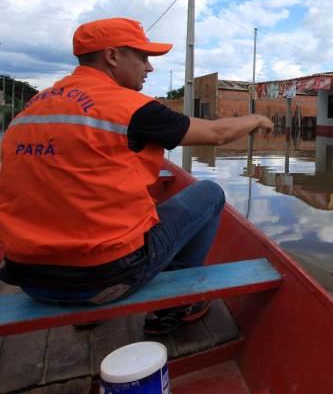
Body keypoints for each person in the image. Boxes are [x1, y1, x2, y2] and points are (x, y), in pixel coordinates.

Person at [0, 17, 273, 334]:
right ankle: (175, 306)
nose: (149, 68)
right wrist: (255, 117)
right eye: (143, 57)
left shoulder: (31, 108)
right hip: (106, 277)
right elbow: (217, 133)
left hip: (29, 277)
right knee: (210, 193)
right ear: (113, 56)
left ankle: (89, 311)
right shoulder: (131, 107)